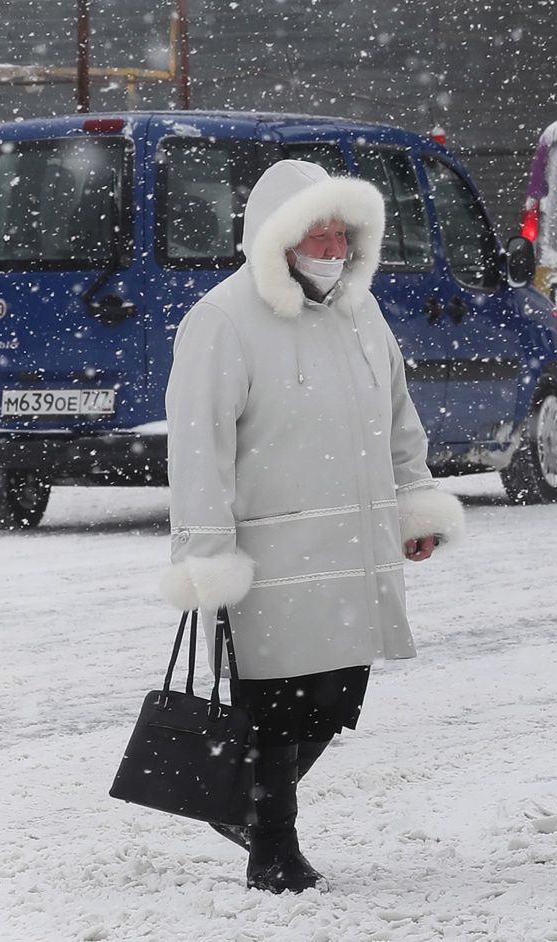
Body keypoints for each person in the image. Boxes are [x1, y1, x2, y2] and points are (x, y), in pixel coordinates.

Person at [160, 160, 463, 891]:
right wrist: (208, 557)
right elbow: (200, 449)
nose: (330, 248)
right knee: (274, 708)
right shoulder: (224, 319)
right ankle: (273, 847)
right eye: (316, 234)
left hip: (352, 551)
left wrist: (414, 501)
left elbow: (398, 416)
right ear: (277, 237)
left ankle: (240, 808)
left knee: (334, 699)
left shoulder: (363, 313)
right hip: (271, 557)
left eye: (340, 234)